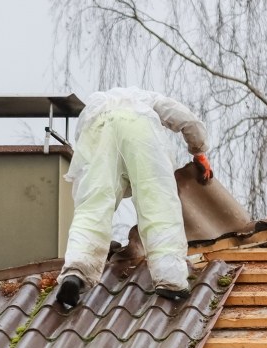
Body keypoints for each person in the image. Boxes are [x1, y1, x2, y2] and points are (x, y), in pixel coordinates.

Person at [56, 87, 214, 310]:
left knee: (91, 209)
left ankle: (76, 271)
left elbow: (83, 154)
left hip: (97, 130)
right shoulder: (146, 100)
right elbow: (186, 119)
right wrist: (198, 150)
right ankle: (170, 278)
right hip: (140, 129)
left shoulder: (93, 107)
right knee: (158, 203)